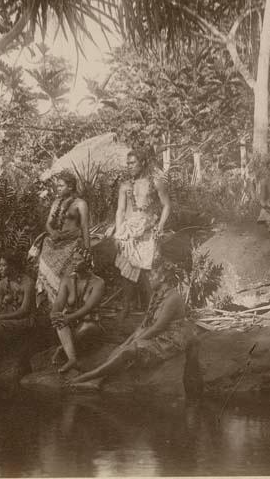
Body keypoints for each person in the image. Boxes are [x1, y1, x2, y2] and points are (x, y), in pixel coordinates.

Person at [67, 261, 190, 391]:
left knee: (127, 350)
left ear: (162, 278)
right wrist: (128, 341)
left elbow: (157, 327)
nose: (149, 279)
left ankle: (88, 376)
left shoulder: (173, 298)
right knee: (121, 348)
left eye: (152, 275)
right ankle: (95, 382)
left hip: (169, 340)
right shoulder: (156, 294)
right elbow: (145, 323)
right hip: (156, 334)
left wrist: (135, 342)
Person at [114, 149, 171, 319]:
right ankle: (126, 307)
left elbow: (167, 205)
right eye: (128, 163)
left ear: (143, 163)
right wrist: (118, 234)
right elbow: (120, 210)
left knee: (148, 272)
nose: (129, 166)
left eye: (133, 163)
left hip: (147, 232)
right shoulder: (125, 185)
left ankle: (151, 309)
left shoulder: (155, 182)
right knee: (126, 271)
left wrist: (160, 227)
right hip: (129, 233)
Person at [35, 171, 90, 306]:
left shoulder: (80, 204)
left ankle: (63, 302)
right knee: (45, 249)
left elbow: (84, 226)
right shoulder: (56, 203)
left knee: (67, 270)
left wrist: (88, 249)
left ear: (70, 187)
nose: (57, 188)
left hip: (72, 242)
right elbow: (48, 224)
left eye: (61, 186)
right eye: (57, 186)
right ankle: (47, 301)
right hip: (56, 241)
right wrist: (53, 232)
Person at [50, 246, 105, 373]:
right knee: (60, 322)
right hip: (69, 323)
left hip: (90, 323)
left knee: (86, 328)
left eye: (78, 259)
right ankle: (72, 359)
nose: (74, 262)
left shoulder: (98, 283)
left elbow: (88, 308)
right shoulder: (67, 280)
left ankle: (63, 348)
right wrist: (54, 314)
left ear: (87, 262)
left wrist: (67, 318)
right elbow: (58, 304)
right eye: (73, 259)